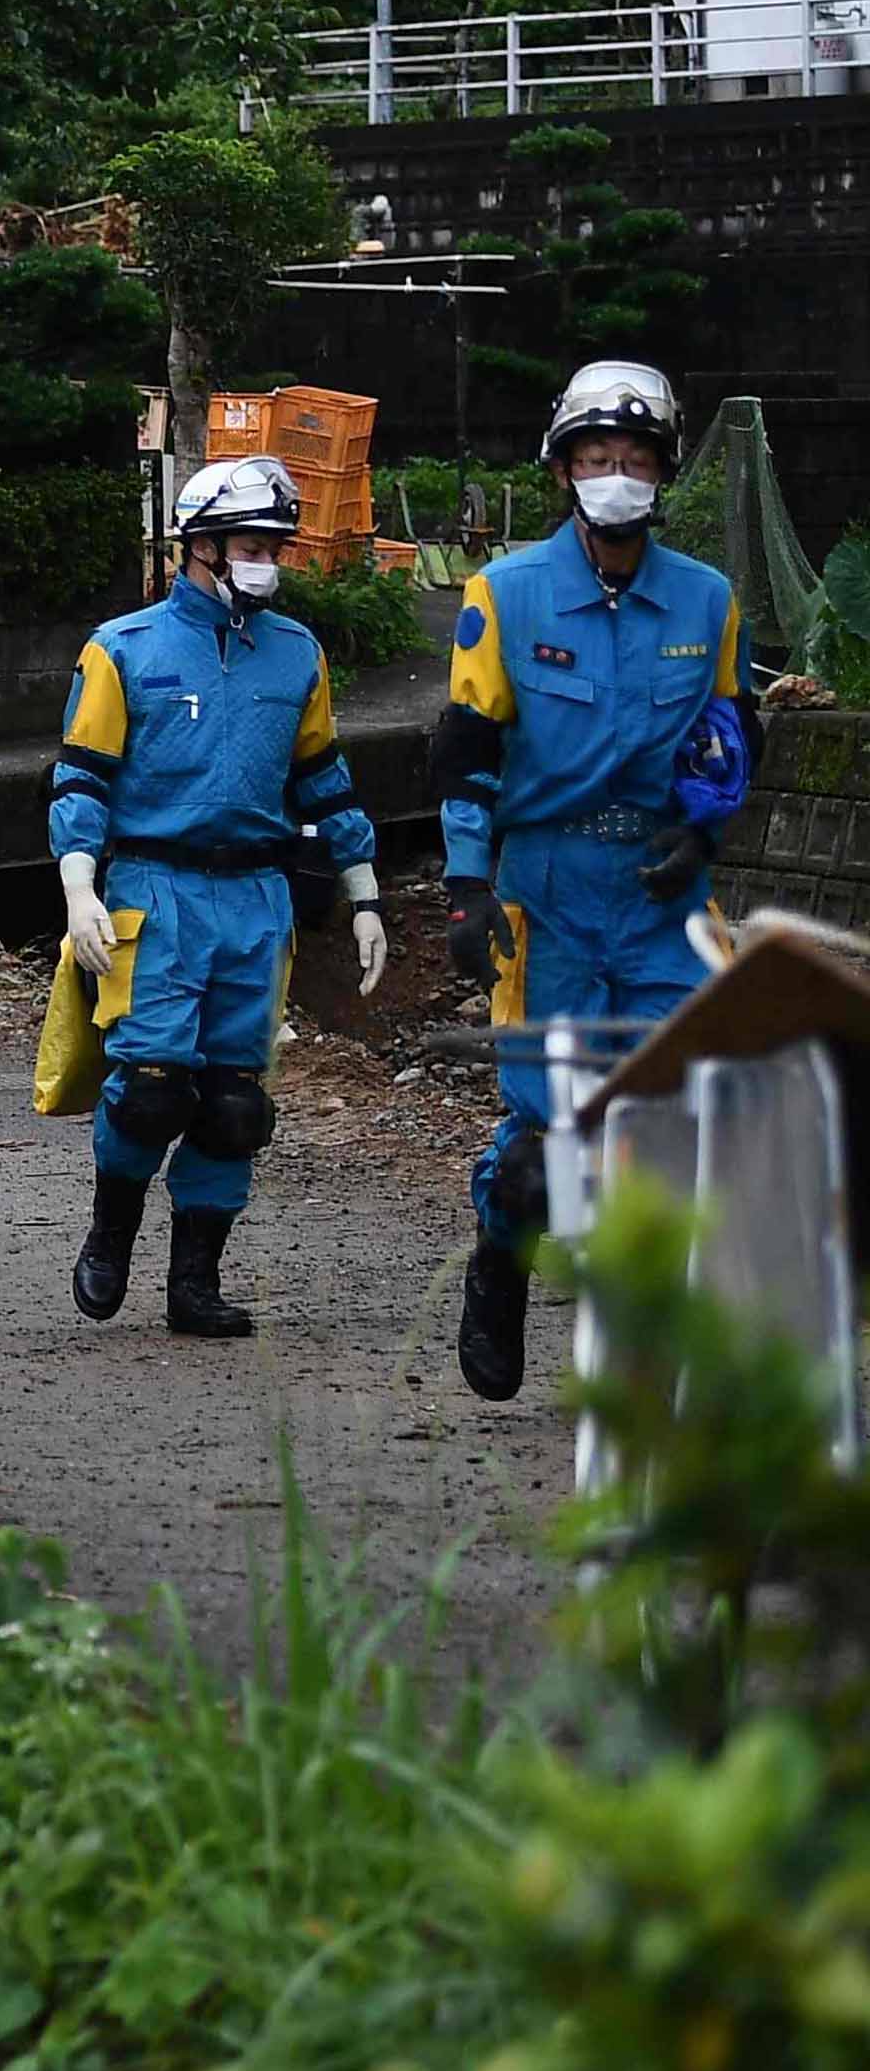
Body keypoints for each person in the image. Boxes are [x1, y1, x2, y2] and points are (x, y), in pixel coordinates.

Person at [436, 361, 749, 1405]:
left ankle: (645, 1351)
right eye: (596, 458)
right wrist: (465, 888)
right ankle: (499, 1253)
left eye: (635, 459)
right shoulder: (506, 593)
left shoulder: (706, 599)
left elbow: (725, 735)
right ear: (564, 468)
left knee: (674, 1117)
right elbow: (468, 752)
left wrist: (703, 836)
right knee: (546, 1148)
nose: (617, 476)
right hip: (551, 888)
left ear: (663, 470)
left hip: (660, 891)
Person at [53, 455, 384, 1341]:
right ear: (197, 545)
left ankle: (196, 1280)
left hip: (258, 897)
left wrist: (363, 891)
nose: (262, 559)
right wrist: (79, 882)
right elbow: (82, 780)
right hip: (154, 892)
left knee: (236, 1102)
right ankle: (110, 1230)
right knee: (152, 1088)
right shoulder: (124, 648)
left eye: (274, 543)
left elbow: (326, 779)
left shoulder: (297, 652)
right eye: (246, 542)